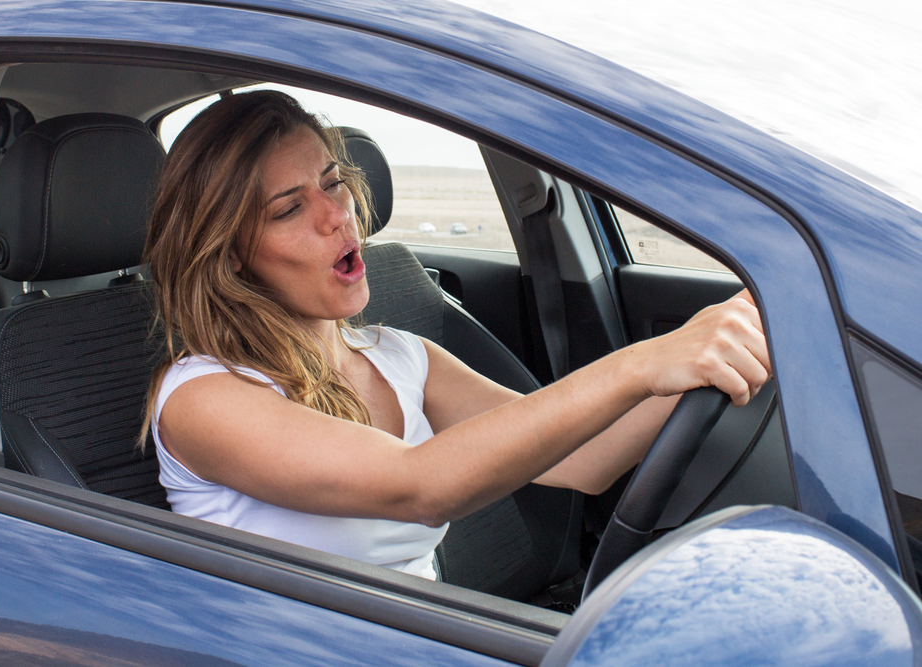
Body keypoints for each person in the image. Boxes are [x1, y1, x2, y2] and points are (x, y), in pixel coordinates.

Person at [142, 90, 771, 581]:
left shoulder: (400, 356)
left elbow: (584, 458)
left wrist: (744, 327)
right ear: (230, 256)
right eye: (288, 209)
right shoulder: (203, 397)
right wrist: (642, 364)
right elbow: (421, 485)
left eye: (333, 182)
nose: (338, 215)